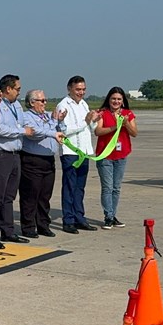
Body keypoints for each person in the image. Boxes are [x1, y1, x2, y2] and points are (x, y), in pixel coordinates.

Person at [0, 74, 33, 249]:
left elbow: (23, 124)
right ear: (8, 89)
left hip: (14, 154)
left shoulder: (16, 105)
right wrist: (21, 131)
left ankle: (8, 231)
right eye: (17, 89)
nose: (19, 92)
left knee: (9, 196)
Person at [56, 75, 102, 234]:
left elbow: (89, 128)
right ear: (70, 89)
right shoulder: (63, 105)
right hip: (70, 152)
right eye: (78, 89)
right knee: (69, 186)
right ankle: (68, 220)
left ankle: (79, 217)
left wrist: (94, 120)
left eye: (83, 89)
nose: (81, 92)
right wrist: (86, 121)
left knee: (80, 187)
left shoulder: (84, 104)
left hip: (84, 151)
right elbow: (64, 130)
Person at [19, 90, 66, 239]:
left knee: (45, 195)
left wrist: (59, 121)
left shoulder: (47, 116)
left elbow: (60, 131)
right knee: (30, 195)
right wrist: (52, 127)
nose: (45, 103)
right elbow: (34, 133)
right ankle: (28, 226)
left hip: (48, 160)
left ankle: (43, 224)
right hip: (32, 159)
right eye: (42, 101)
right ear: (32, 102)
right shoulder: (27, 117)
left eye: (45, 100)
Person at [94, 87, 138, 229]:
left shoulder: (128, 114)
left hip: (121, 155)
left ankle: (113, 215)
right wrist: (114, 127)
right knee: (107, 187)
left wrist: (125, 124)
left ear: (123, 101)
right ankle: (108, 216)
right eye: (113, 99)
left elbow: (134, 133)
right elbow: (98, 131)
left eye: (119, 99)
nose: (116, 101)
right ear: (109, 99)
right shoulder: (103, 113)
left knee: (116, 188)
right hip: (105, 155)